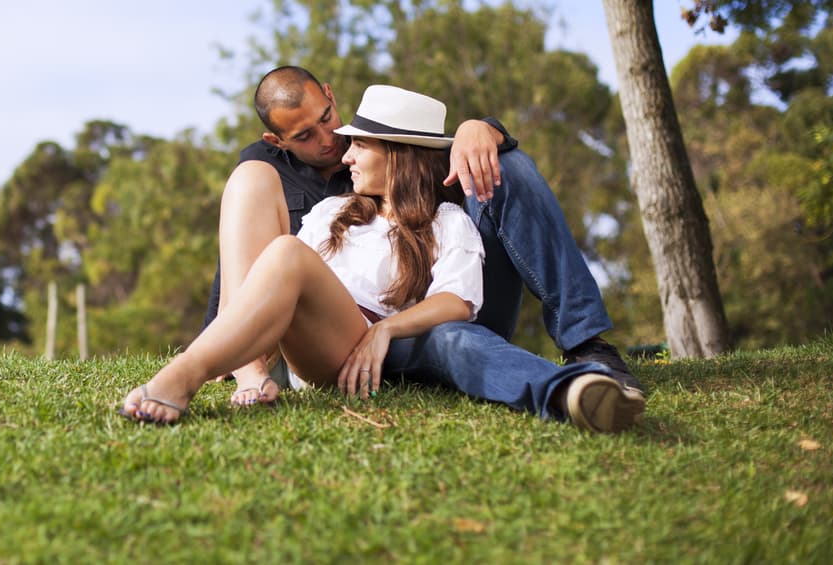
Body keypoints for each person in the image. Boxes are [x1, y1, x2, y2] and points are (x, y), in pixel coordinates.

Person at [120, 85, 645, 432]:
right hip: (332, 344)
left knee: (458, 339)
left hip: (409, 343)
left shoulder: (447, 220)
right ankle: (185, 373)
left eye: (356, 143)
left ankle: (572, 391)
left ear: (396, 153)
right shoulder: (331, 211)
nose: (341, 153)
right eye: (317, 137)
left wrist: (387, 331)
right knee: (286, 254)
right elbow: (277, 294)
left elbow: (459, 301)